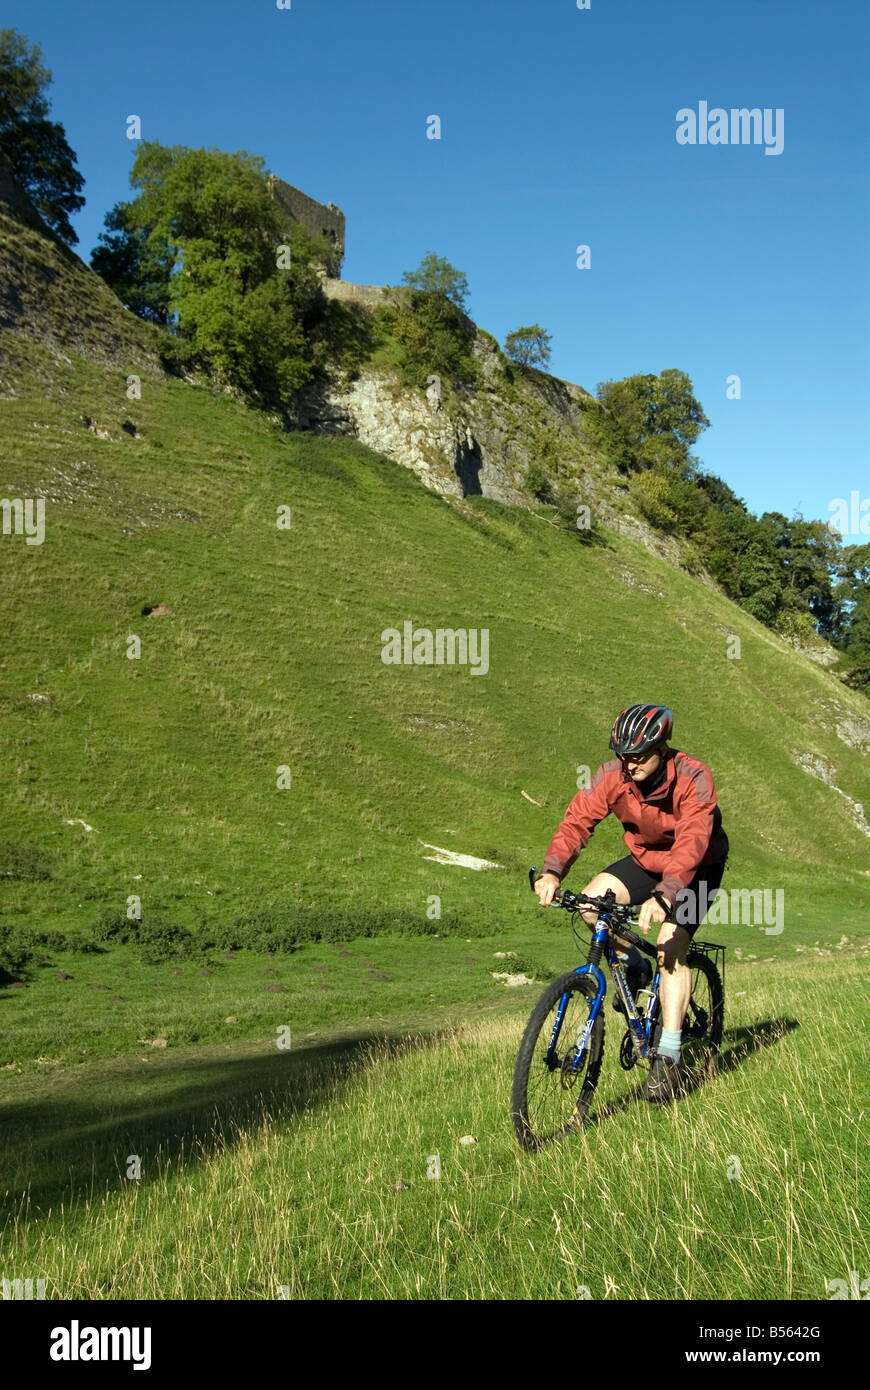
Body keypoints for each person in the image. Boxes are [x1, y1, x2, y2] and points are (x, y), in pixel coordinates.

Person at [534, 704, 728, 1104]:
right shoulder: (612, 776)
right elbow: (577, 822)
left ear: (663, 747)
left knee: (670, 946)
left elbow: (692, 841)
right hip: (646, 860)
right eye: (623, 754)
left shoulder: (694, 776)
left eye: (639, 755)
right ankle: (634, 970)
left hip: (698, 866)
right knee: (590, 905)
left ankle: (669, 1056)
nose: (630, 763)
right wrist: (553, 871)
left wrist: (665, 896)